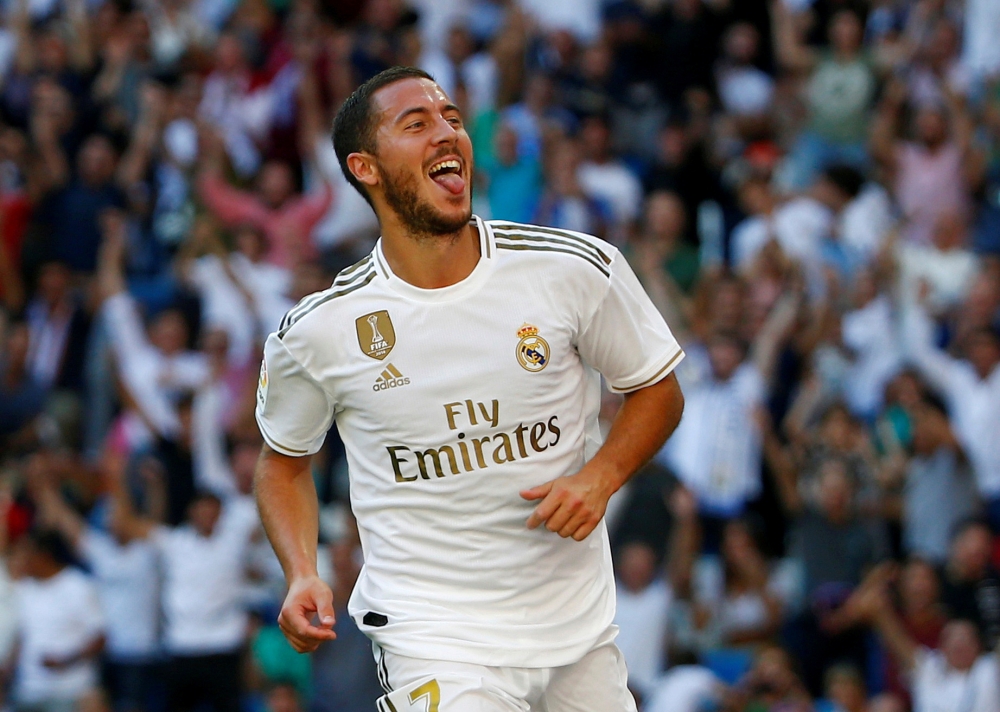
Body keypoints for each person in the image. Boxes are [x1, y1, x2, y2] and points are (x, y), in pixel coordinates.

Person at [254, 66, 685, 712]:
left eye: (452, 118)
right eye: (416, 123)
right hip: (433, 639)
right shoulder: (321, 330)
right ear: (366, 168)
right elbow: (283, 463)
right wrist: (300, 571)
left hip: (579, 633)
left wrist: (601, 477)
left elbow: (658, 388)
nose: (447, 133)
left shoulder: (569, 268)